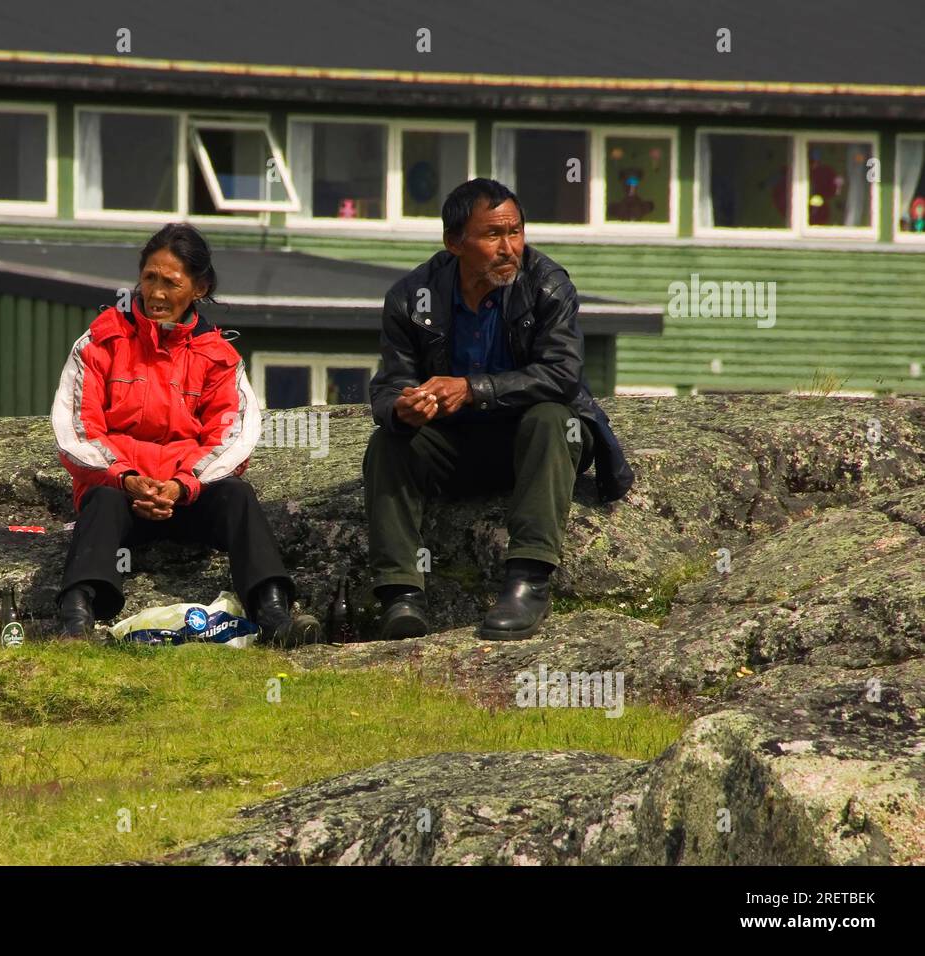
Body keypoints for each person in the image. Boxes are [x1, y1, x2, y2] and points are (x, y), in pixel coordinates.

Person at [364, 178, 634, 642]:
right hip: (458, 447)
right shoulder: (412, 297)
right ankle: (400, 595)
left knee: (552, 418)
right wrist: (403, 406)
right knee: (388, 442)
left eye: (516, 231)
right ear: (454, 243)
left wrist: (472, 389)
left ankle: (527, 581)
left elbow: (561, 375)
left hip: (534, 444)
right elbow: (391, 383)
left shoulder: (547, 284)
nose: (509, 247)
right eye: (492, 235)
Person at [50, 223, 321, 647]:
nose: (156, 294)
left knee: (238, 496)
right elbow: (75, 430)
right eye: (149, 279)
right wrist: (125, 477)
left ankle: (273, 615)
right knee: (100, 499)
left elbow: (233, 438)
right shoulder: (99, 343)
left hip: (190, 499)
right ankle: (76, 621)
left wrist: (181, 486)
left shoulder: (219, 357)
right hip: (122, 495)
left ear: (200, 287)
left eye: (171, 283)